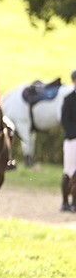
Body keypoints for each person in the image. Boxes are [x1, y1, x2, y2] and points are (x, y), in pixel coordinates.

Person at [61, 70, 76, 212]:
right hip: (72, 140)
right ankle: (65, 202)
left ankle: (75, 202)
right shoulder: (69, 99)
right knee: (69, 171)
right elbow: (65, 120)